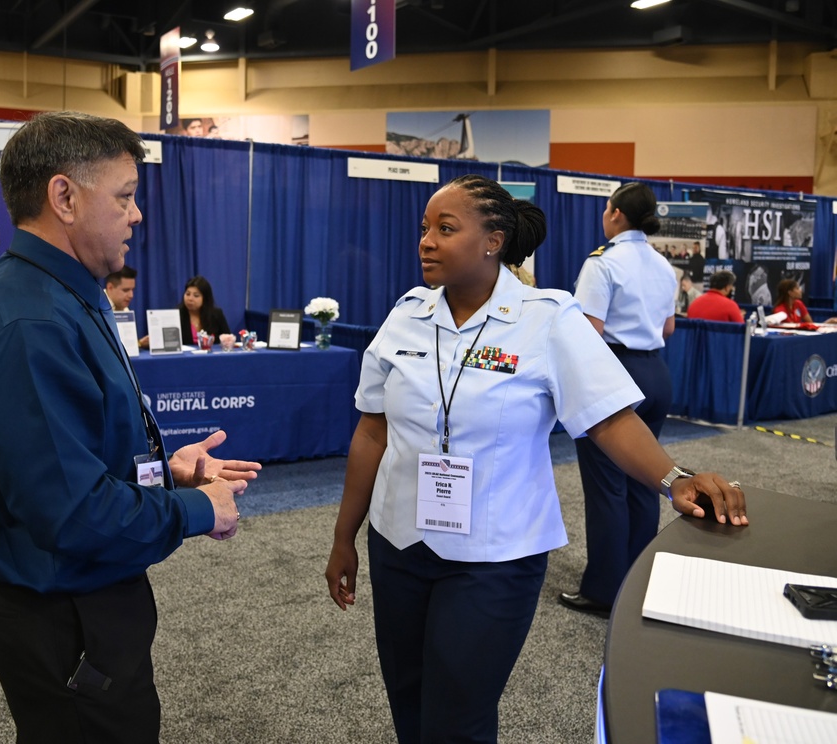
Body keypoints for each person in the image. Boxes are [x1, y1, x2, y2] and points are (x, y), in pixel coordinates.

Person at [324, 174, 747, 744]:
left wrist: (674, 479)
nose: (426, 240)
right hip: (399, 543)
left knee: (458, 716)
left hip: (496, 554)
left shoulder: (547, 318)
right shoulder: (407, 314)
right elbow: (373, 431)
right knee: (409, 701)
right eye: (424, 228)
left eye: (445, 229)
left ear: (493, 240)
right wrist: (344, 535)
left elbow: (607, 417)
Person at [0, 111, 261, 743]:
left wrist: (161, 472)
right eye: (124, 197)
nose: (136, 215)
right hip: (64, 616)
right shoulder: (29, 322)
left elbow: (66, 458)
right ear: (63, 196)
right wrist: (197, 509)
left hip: (82, 606)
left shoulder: (60, 297)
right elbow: (70, 513)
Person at [561, 181, 680, 618]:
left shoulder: (603, 262)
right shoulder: (663, 265)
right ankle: (639, 582)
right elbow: (667, 329)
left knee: (606, 486)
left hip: (614, 373)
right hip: (655, 372)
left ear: (614, 214)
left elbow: (588, 331)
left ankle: (605, 590)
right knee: (646, 479)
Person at [178, 275, 231, 344]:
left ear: (205, 298)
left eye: (196, 295)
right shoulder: (177, 315)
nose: (190, 299)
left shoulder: (216, 315)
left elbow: (228, 338)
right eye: (187, 294)